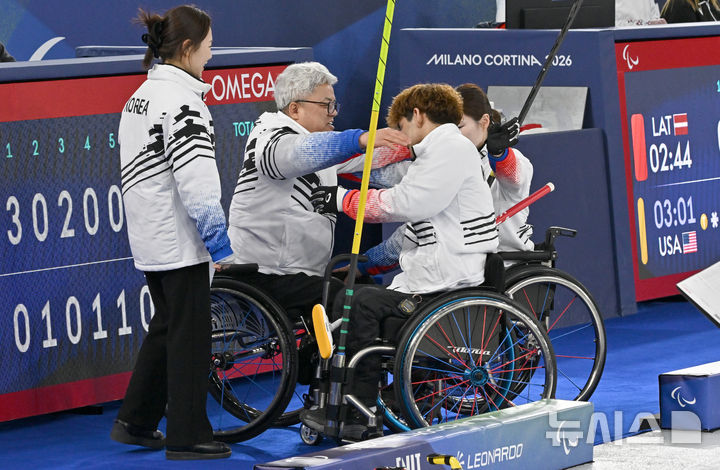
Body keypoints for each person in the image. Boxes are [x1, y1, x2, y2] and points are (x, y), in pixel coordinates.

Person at [304, 83, 513, 440]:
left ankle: (360, 410)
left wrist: (342, 200)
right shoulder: (436, 153)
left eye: (401, 127)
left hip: (448, 281)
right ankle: (341, 398)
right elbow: (411, 221)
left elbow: (407, 203)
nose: (401, 136)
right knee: (351, 292)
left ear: (417, 115)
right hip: (438, 274)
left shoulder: (450, 149)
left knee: (359, 303)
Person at [111, 5, 234, 460]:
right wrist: (219, 245)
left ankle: (136, 420)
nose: (212, 53)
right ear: (187, 48)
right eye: (208, 45)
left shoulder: (141, 95)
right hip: (180, 240)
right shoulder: (183, 103)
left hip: (150, 235)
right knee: (190, 338)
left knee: (167, 328)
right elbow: (197, 184)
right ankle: (188, 435)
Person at [226, 61, 410, 321]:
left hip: (300, 274)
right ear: (295, 109)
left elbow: (372, 157)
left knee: (368, 291)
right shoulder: (269, 138)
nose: (333, 113)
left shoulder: (322, 148)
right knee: (363, 303)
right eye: (326, 105)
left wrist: (418, 146)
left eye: (334, 105)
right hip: (265, 274)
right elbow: (298, 153)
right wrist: (360, 138)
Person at [456, 83, 533, 254]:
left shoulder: (516, 159)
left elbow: (513, 178)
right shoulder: (449, 159)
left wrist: (499, 155)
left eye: (459, 126)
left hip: (505, 260)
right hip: (460, 258)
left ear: (484, 121)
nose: (453, 134)